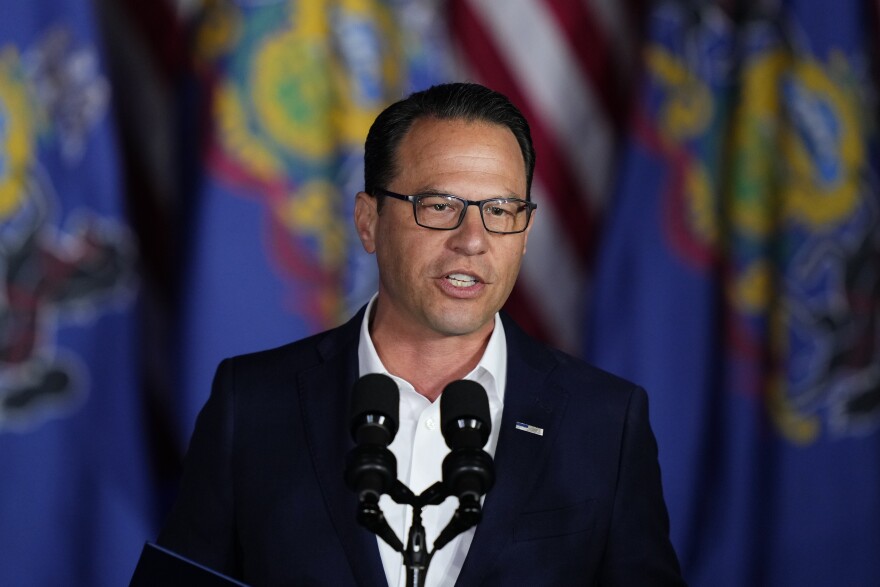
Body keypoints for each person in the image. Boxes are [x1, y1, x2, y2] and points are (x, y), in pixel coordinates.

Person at [156, 82, 685, 586]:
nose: (473, 240)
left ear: (524, 233)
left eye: (500, 211)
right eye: (440, 207)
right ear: (369, 222)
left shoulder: (605, 422)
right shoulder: (251, 403)